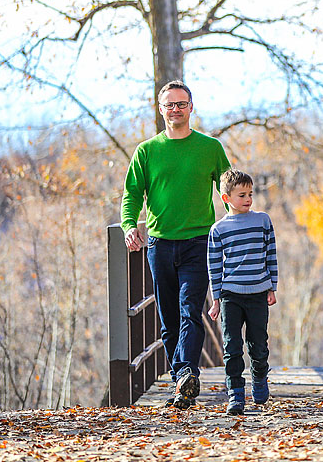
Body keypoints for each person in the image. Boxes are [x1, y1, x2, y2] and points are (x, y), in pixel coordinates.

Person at [120, 80, 231, 409]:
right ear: (160, 109)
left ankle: (186, 372)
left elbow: (229, 189)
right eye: (169, 104)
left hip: (199, 241)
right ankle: (182, 379)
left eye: (181, 104)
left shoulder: (210, 148)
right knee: (168, 320)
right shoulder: (147, 151)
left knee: (189, 312)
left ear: (191, 108)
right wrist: (129, 226)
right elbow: (131, 195)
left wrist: (232, 225)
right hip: (159, 245)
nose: (175, 109)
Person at [207, 169, 278, 415]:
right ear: (226, 198)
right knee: (232, 346)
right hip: (230, 296)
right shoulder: (218, 229)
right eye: (241, 195)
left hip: (258, 292)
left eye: (250, 194)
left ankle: (259, 379)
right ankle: (235, 395)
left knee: (258, 344)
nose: (248, 199)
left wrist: (272, 286)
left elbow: (271, 254)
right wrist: (216, 299)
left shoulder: (262, 220)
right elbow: (214, 265)